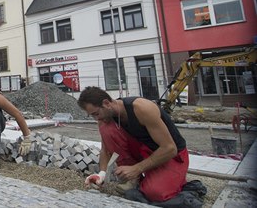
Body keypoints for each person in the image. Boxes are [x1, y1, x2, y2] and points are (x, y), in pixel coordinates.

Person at [77, 86, 205, 207]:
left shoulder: (141, 108)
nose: (95, 118)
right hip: (145, 151)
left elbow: (170, 149)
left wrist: (136, 168)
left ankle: (175, 183)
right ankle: (135, 179)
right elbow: (105, 149)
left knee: (155, 193)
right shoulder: (105, 119)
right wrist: (101, 174)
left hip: (171, 155)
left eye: (96, 114)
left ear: (106, 103)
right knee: (107, 129)